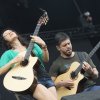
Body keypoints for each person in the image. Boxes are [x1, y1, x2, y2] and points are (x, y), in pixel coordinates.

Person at [0, 29, 57, 100]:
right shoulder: (8, 54)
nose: (9, 33)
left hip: (45, 76)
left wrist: (44, 46)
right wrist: (13, 61)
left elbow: (46, 59)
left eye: (11, 31)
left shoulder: (33, 45)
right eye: (6, 34)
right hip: (31, 80)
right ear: (6, 41)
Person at [49, 32, 100, 99]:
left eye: (69, 43)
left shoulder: (83, 55)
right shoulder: (56, 64)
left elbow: (96, 75)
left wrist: (91, 71)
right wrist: (61, 83)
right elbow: (50, 85)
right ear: (58, 48)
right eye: (64, 45)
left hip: (91, 88)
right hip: (74, 94)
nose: (68, 46)